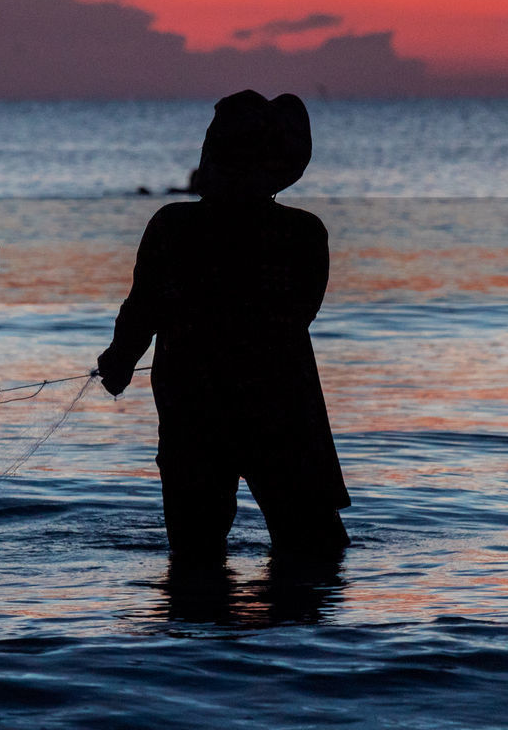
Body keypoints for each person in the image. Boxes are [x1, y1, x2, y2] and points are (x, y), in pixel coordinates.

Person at [97, 90, 349, 562]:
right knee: (314, 556)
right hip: (283, 409)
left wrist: (119, 362)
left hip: (194, 411)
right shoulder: (302, 233)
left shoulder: (173, 226)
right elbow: (301, 314)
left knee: (195, 559)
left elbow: (141, 310)